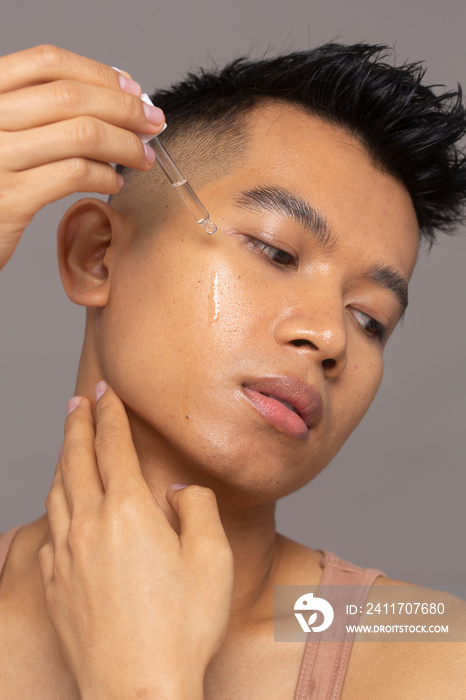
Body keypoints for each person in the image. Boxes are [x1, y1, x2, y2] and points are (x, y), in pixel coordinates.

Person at [0, 42, 465, 699]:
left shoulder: (433, 658)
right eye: (276, 251)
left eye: (371, 320)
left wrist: (143, 683)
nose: (330, 336)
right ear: (97, 255)